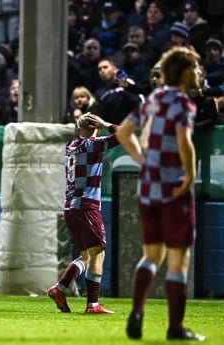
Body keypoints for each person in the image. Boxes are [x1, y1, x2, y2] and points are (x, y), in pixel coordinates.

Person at [115, 46, 206, 341]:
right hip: (173, 188)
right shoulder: (183, 103)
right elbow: (184, 141)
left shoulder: (152, 99)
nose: (199, 73)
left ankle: (137, 310)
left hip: (147, 189)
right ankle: (175, 327)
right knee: (178, 258)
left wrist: (143, 160)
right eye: (195, 68)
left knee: (151, 255)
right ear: (183, 72)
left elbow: (123, 132)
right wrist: (190, 175)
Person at [47, 113, 118, 315]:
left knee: (85, 255)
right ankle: (93, 304)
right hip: (86, 207)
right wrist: (106, 124)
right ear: (96, 129)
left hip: (70, 207)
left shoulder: (71, 145)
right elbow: (124, 135)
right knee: (98, 253)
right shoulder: (91, 145)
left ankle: (59, 289)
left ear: (77, 129)